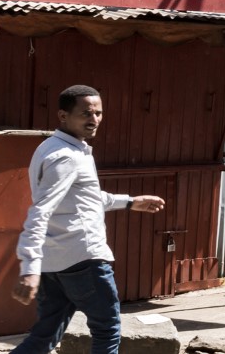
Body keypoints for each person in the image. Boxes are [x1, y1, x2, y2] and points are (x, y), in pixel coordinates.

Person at [10, 86, 166, 354]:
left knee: (44, 337)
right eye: (85, 113)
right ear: (62, 115)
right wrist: (30, 266)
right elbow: (41, 210)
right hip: (83, 259)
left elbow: (83, 199)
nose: (93, 119)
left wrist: (129, 202)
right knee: (107, 330)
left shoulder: (56, 147)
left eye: (98, 113)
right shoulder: (66, 157)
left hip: (55, 262)